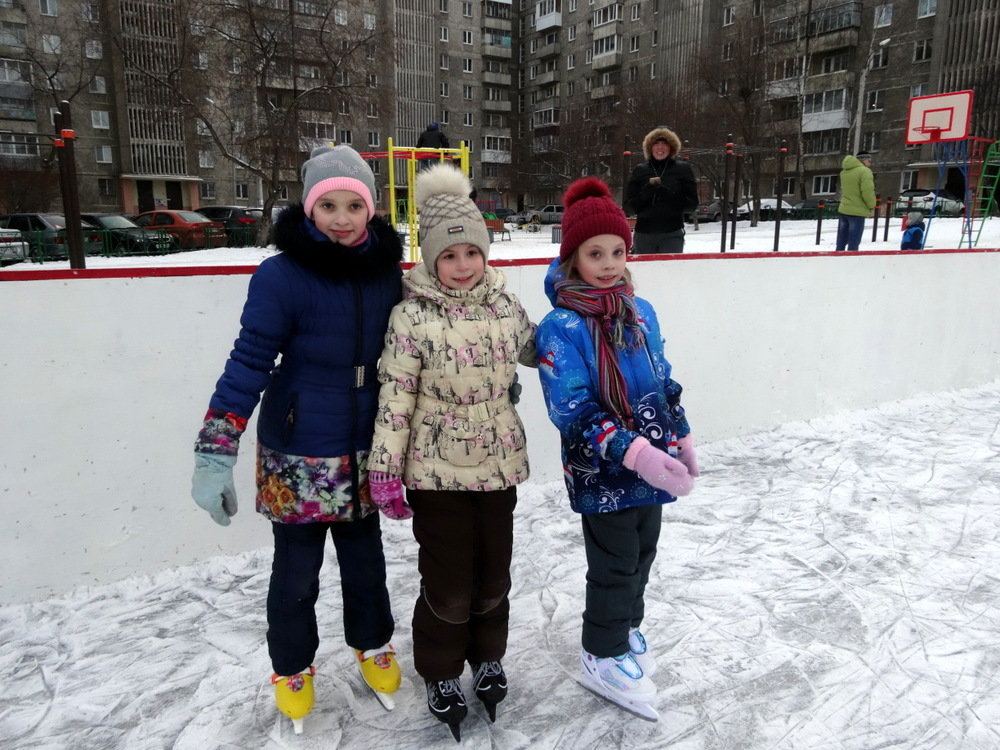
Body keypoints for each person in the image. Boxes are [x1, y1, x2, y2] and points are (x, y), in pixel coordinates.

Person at [190, 145, 405, 732]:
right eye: (328, 205)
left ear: (372, 209)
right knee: (297, 569)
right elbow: (249, 361)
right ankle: (291, 666)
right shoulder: (281, 275)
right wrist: (215, 449)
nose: (341, 217)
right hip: (298, 445)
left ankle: (373, 643)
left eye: (353, 205)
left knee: (366, 560)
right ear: (309, 210)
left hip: (366, 440)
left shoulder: (388, 272)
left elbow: (422, 343)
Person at [367, 163, 536, 741]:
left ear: (485, 254)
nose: (462, 266)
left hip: (498, 467)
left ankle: (488, 656)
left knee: (494, 576)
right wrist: (384, 469)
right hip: (435, 477)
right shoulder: (411, 315)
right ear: (430, 260)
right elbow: (395, 397)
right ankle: (440, 670)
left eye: (472, 253)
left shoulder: (504, 307)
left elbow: (544, 348)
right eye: (449, 256)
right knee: (448, 583)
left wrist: (583, 324)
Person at [535, 177, 699, 715]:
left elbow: (661, 378)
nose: (608, 263)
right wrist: (638, 453)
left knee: (644, 552)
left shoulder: (640, 310)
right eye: (594, 253)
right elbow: (571, 409)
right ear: (572, 258)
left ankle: (626, 629)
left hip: (652, 461)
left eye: (617, 251)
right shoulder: (562, 325)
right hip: (602, 469)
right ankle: (600, 653)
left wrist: (679, 433)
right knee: (615, 561)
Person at [624, 126, 698, 254]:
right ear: (649, 147)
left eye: (664, 144)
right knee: (645, 273)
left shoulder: (683, 169)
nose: (660, 148)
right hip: (644, 234)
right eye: (656, 144)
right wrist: (645, 193)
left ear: (671, 147)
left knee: (669, 272)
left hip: (672, 234)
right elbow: (628, 208)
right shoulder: (640, 170)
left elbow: (692, 205)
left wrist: (671, 196)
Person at [835, 151, 876, 251]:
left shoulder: (844, 172)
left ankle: (836, 260)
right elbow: (867, 191)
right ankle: (851, 262)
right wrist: (872, 205)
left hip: (844, 208)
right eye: (869, 161)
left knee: (841, 240)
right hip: (857, 211)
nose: (870, 163)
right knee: (854, 241)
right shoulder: (865, 171)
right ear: (864, 160)